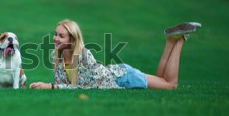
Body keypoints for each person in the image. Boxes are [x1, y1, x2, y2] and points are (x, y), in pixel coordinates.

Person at [29, 19, 201, 90]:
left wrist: (50, 86)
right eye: (55, 34)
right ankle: (170, 41)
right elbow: (63, 86)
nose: (55, 38)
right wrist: (46, 86)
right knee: (161, 79)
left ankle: (180, 40)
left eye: (61, 35)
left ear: (72, 40)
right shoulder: (56, 57)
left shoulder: (83, 55)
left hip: (123, 78)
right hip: (117, 71)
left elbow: (82, 86)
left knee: (170, 85)